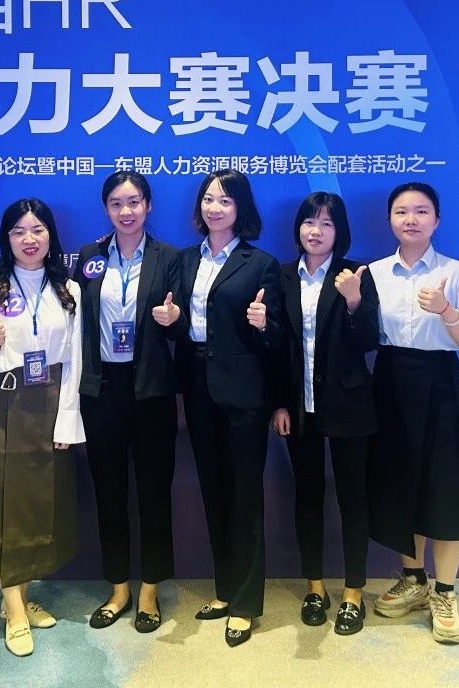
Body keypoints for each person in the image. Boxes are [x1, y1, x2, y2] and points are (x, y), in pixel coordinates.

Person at [0, 198, 85, 657]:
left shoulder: (70, 289)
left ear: (50, 236)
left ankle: (21, 598)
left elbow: (75, 359)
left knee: (36, 503)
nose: (29, 240)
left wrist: (68, 417)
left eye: (37, 230)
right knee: (2, 501)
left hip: (50, 401)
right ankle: (13, 608)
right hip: (4, 401)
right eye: (18, 231)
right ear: (5, 239)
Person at [368, 182, 459, 645]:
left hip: (439, 383)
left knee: (444, 486)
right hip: (391, 381)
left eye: (421, 211)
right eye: (402, 211)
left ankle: (445, 591)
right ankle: (413, 580)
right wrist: (354, 301)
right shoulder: (374, 273)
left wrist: (446, 310)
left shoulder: (455, 272)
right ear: (390, 220)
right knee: (402, 483)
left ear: (436, 220)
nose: (411, 219)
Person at [172, 169, 283, 647]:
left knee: (244, 496)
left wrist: (263, 323)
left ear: (241, 209)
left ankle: (246, 603)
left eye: (225, 200)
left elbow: (277, 339)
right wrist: (172, 321)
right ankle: (224, 590)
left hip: (244, 394)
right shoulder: (183, 260)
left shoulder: (260, 263)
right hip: (197, 388)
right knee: (213, 491)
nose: (214, 208)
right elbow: (179, 326)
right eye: (208, 199)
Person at [73, 170, 185, 634]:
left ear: (148, 206)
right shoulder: (89, 256)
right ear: (106, 208)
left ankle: (150, 590)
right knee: (109, 493)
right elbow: (76, 320)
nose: (126, 211)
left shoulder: (169, 257)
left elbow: (184, 327)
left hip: (150, 389)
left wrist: (174, 319)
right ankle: (118, 588)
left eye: (134, 202)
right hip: (102, 389)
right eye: (117, 203)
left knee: (154, 493)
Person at [271, 192, 380, 635]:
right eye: (309, 222)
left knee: (353, 499)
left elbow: (369, 340)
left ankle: (353, 593)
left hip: (349, 405)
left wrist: (353, 301)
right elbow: (278, 348)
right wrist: (280, 402)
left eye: (326, 223)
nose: (315, 231)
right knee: (308, 495)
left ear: (340, 231)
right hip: (300, 408)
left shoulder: (355, 274)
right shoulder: (281, 276)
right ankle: (315, 587)